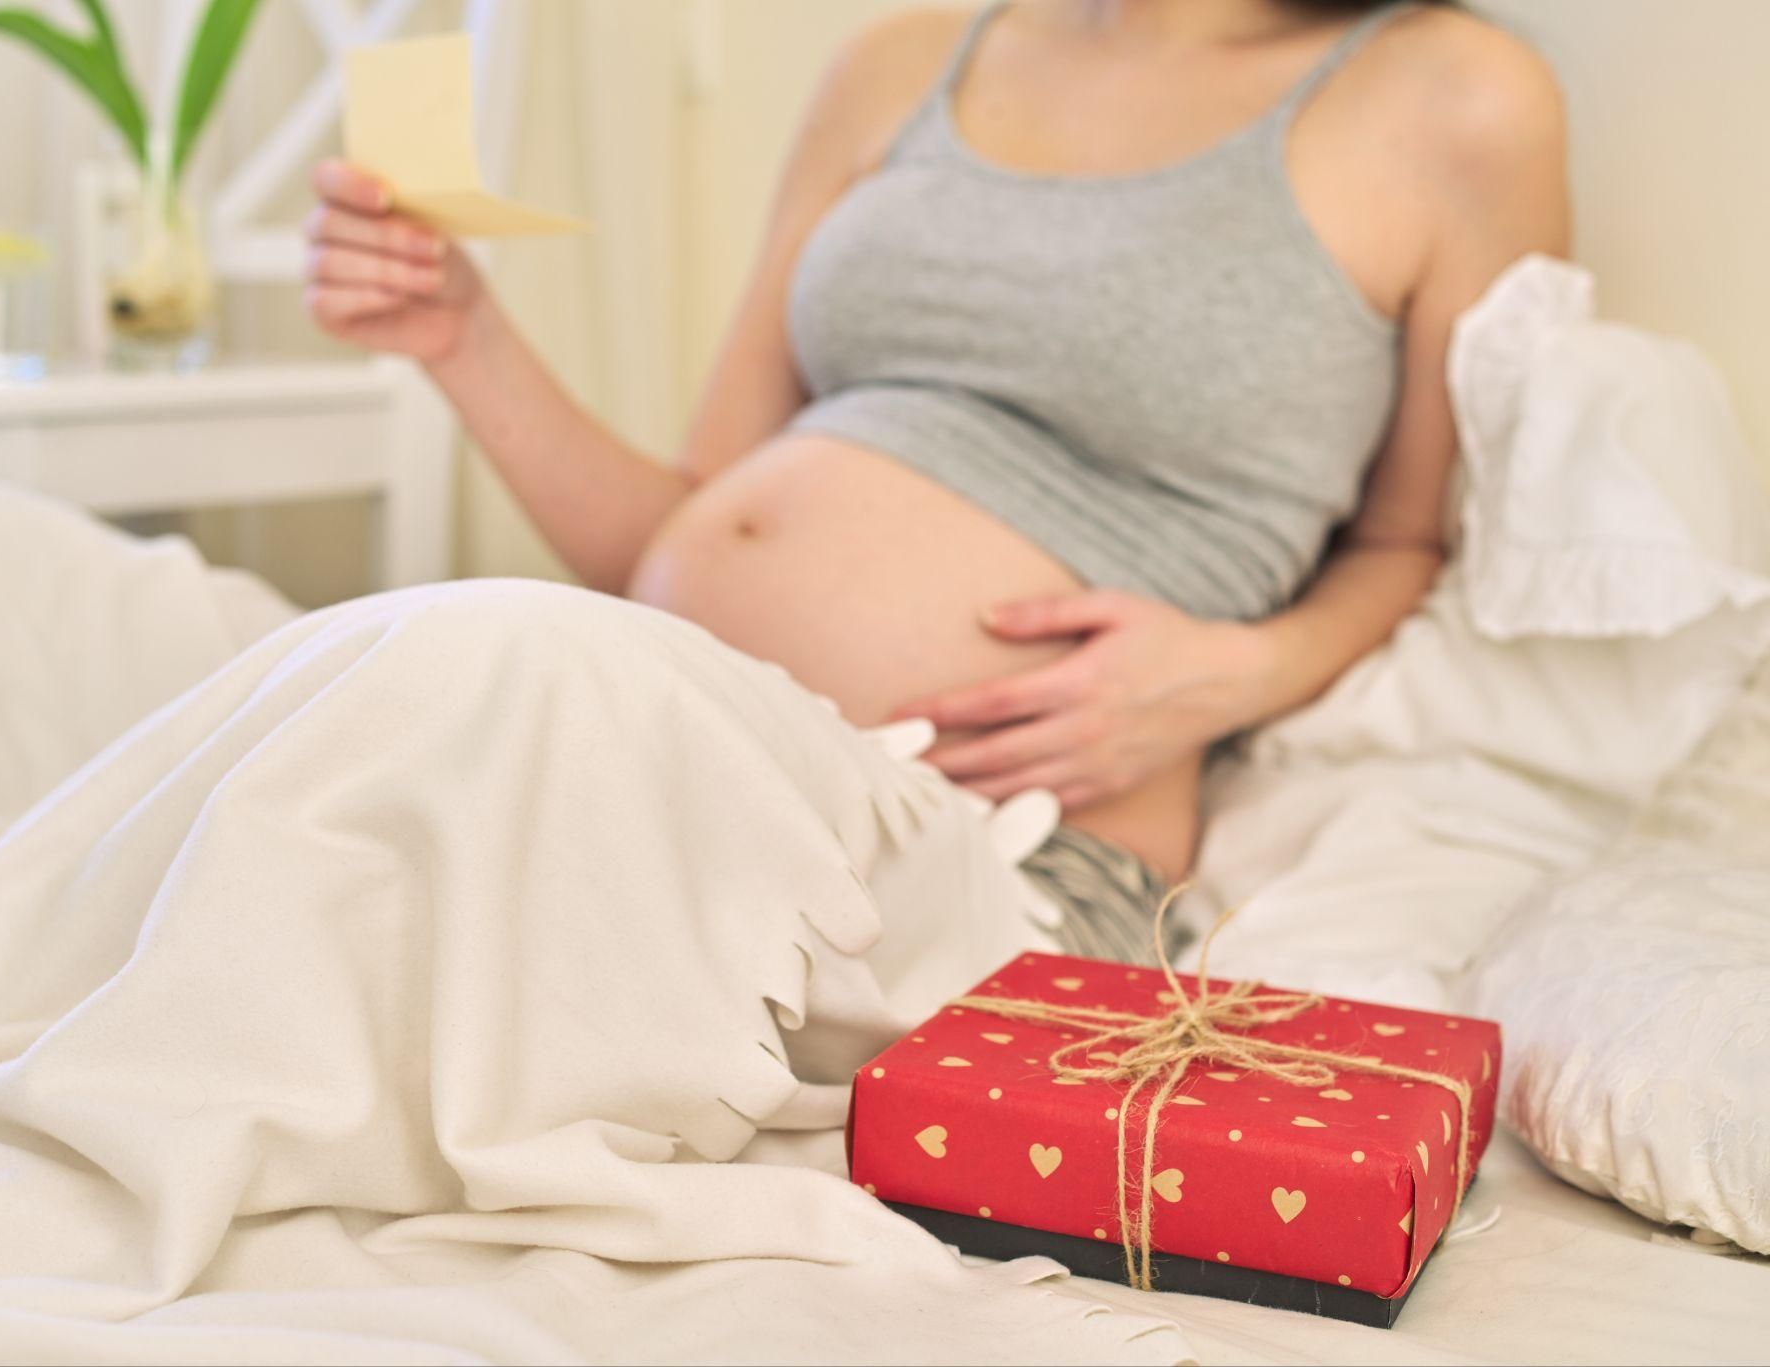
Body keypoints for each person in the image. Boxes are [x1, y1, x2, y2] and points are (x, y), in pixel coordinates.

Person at [303, 0, 1569, 962]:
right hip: (681, 751)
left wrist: (1232, 673)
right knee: (336, 806)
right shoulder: (908, 57)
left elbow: (1415, 544)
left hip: (995, 847)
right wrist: (457, 336)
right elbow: (694, 521)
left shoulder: (1451, 98)